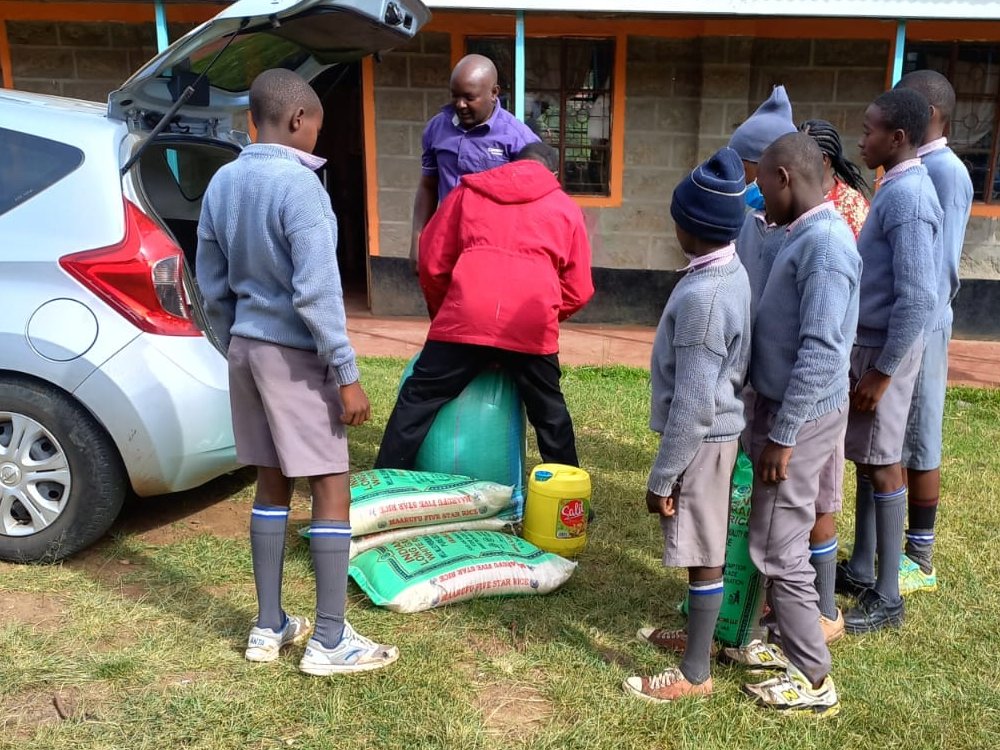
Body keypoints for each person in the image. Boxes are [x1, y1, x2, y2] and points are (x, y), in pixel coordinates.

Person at [196, 69, 398, 676]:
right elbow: (317, 293)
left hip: (247, 352)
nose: (317, 138)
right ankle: (330, 640)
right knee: (331, 485)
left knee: (271, 483)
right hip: (295, 357)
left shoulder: (223, 183)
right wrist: (346, 373)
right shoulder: (301, 188)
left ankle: (268, 626)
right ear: (294, 122)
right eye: (317, 127)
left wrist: (236, 343)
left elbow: (210, 282)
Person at [737, 133, 860, 717]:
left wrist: (784, 435)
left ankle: (813, 676)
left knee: (779, 544)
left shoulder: (827, 244)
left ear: (784, 177)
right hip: (784, 408)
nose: (756, 195)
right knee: (776, 533)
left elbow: (822, 351)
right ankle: (783, 643)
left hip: (801, 418)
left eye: (760, 182)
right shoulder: (798, 232)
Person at [375, 142, 593, 471]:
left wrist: (447, 317)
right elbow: (578, 289)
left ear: (510, 164)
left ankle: (385, 487)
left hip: (465, 317)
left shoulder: (467, 193)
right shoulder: (566, 208)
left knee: (417, 400)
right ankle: (572, 505)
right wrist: (544, 314)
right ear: (554, 173)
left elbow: (433, 263)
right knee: (550, 416)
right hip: (530, 326)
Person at [622, 147, 751, 703]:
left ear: (687, 226)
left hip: (703, 441)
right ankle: (699, 638)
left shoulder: (705, 297)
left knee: (701, 552)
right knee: (707, 547)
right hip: (717, 435)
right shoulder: (728, 269)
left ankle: (695, 672)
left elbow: (695, 403)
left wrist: (662, 477)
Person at [837, 88, 942, 634]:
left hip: (886, 350)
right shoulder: (895, 185)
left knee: (883, 463)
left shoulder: (908, 197)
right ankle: (860, 566)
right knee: (867, 457)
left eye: (870, 130)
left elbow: (919, 296)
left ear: (897, 139)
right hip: (873, 344)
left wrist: (882, 372)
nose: (862, 139)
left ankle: (888, 595)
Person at [894, 70, 974, 595]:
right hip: (905, 325)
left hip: (923, 326)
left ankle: (920, 557)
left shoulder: (945, 173)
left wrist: (914, 332)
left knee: (921, 437)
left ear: (931, 114)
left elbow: (937, 270)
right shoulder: (917, 168)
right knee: (897, 438)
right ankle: (894, 545)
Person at [410, 54, 539, 271]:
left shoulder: (519, 140)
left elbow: (536, 204)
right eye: (455, 96)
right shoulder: (436, 129)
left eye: (469, 97)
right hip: (446, 245)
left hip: (495, 251)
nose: (460, 105)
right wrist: (417, 242)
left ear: (494, 93)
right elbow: (428, 185)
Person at [729, 85, 798, 213]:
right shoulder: (752, 218)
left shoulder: (815, 231)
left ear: (781, 175)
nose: (738, 180)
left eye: (742, 171)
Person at [799, 119, 871, 238]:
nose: (792, 161)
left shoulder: (851, 207)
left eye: (800, 155)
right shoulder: (789, 195)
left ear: (824, 160)